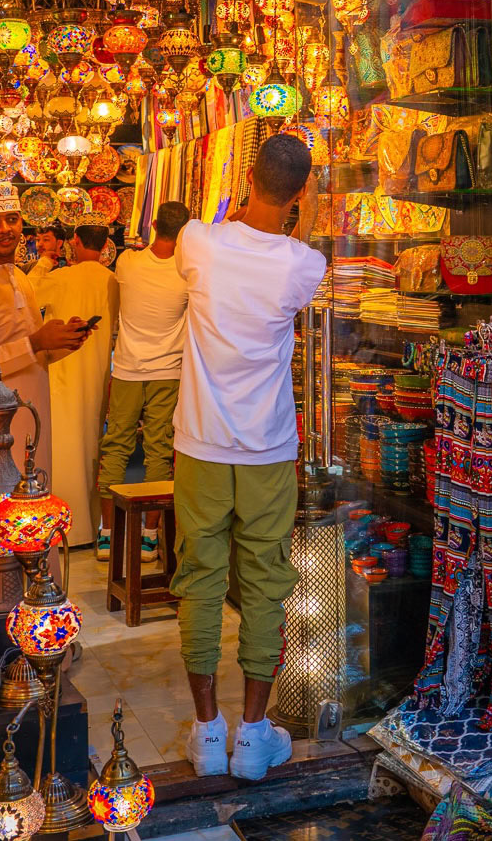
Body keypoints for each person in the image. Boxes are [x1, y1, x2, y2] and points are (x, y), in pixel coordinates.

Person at [172, 134, 326, 781]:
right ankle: (253, 734)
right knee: (266, 583)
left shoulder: (197, 243)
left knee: (199, 578)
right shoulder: (303, 264)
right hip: (266, 448)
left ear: (245, 177)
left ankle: (208, 731)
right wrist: (302, 214)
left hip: (201, 444)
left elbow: (218, 234)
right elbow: (292, 255)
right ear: (301, 192)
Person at [0, 182, 92, 481]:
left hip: (34, 411)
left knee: (36, 495)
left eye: (12, 219)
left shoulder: (21, 279)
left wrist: (66, 341)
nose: (5, 229)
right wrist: (36, 343)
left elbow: (36, 355)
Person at [95, 201, 191, 563]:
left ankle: (107, 535)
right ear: (185, 232)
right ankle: (150, 536)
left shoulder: (127, 262)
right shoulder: (187, 273)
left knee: (115, 447)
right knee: (159, 450)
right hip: (169, 372)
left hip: (128, 369)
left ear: (152, 224)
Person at [38, 224, 119, 549]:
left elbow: (29, 291)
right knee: (91, 449)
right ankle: (92, 526)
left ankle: (66, 530)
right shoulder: (112, 280)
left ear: (75, 242)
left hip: (63, 373)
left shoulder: (61, 277)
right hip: (98, 373)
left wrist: (45, 261)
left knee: (65, 450)